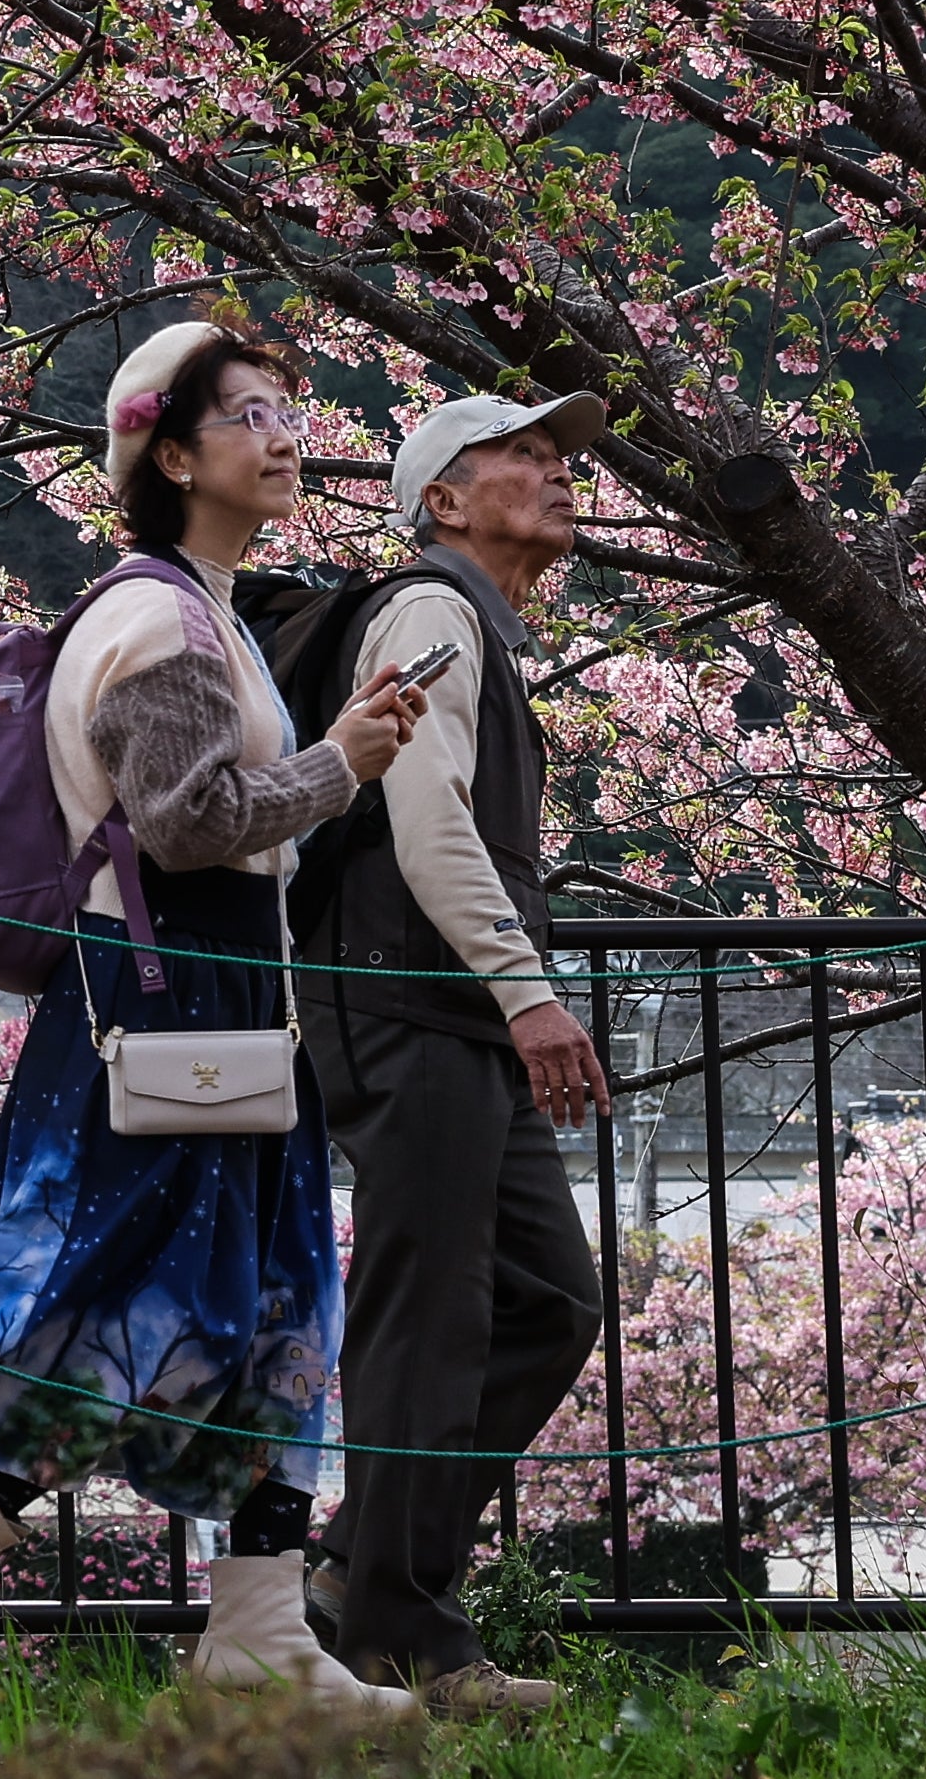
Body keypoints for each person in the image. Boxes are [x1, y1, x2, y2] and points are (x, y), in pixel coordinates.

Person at [0, 318, 426, 1703]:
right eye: (250, 415)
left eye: (289, 409)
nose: (284, 435)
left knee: (265, 1304)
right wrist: (341, 764)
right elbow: (186, 819)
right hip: (159, 994)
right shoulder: (158, 618)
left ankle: (262, 1633)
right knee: (119, 1306)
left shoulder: (195, 602)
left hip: (203, 996)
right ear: (167, 451)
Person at [297, 393, 618, 1718]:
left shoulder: (469, 620)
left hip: (448, 1017)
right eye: (521, 457)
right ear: (440, 499)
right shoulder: (427, 614)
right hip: (411, 1006)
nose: (554, 472)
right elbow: (430, 828)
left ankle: (360, 1580)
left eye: (558, 455)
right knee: (423, 1320)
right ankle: (408, 1637)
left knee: (546, 1302)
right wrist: (528, 995)